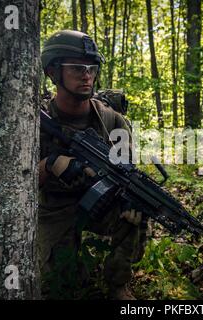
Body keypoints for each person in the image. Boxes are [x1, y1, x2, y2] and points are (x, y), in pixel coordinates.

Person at [38, 30, 147, 300]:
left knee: (135, 212)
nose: (87, 75)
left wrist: (131, 200)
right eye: (76, 68)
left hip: (99, 202)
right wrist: (50, 164)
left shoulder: (113, 122)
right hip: (53, 207)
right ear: (53, 72)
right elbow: (14, 181)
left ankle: (118, 285)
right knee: (59, 285)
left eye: (91, 68)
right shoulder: (34, 120)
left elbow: (127, 170)